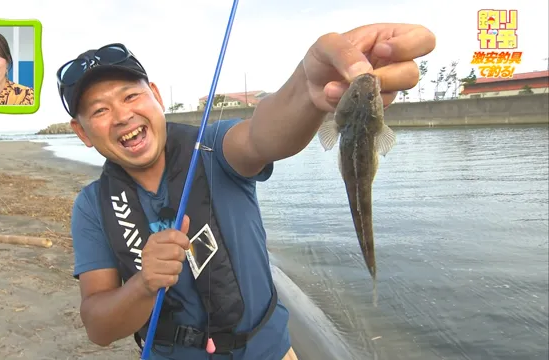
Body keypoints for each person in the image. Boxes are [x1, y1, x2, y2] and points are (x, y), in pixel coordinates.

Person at [57, 24, 435, 360]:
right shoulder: (93, 205)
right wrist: (144, 284)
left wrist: (307, 88)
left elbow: (261, 136)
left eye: (129, 96)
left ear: (155, 95)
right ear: (82, 133)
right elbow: (98, 327)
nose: (122, 116)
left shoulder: (213, 148)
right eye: (100, 110)